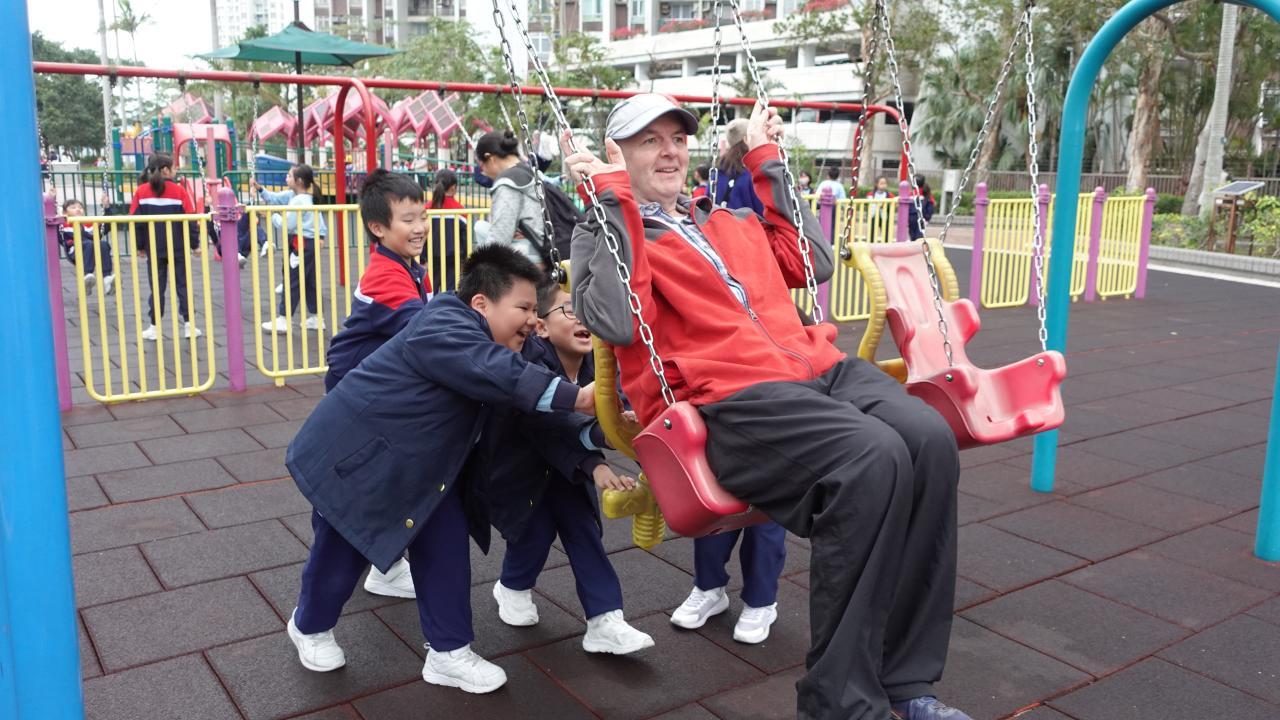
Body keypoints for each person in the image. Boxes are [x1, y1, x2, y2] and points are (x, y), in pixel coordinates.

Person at [564, 93, 965, 720]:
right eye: (649, 141)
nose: (669, 152)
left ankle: (906, 682)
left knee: (929, 439)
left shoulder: (729, 221)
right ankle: (840, 705)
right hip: (728, 397)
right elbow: (616, 321)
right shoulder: (606, 232)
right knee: (873, 457)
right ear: (616, 154)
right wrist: (612, 201)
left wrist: (766, 158)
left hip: (816, 368)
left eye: (677, 139)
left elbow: (814, 262)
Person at [285, 244, 598, 693]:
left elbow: (533, 400)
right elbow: (497, 371)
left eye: (536, 310)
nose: (533, 320)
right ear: (481, 303)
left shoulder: (509, 344)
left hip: (426, 470)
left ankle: (449, 652)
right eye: (524, 308)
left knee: (447, 549)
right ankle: (309, 626)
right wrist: (578, 397)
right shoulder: (443, 324)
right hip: (359, 465)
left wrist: (597, 430)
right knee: (341, 557)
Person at [486, 282, 655, 655]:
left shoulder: (599, 364)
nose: (582, 319)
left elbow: (619, 403)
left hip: (566, 469)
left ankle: (605, 619)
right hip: (523, 470)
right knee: (533, 535)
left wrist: (627, 424)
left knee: (583, 530)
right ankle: (512, 585)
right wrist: (596, 465)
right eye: (569, 310)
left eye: (587, 311)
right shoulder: (531, 365)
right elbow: (545, 427)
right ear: (542, 327)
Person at [678, 118, 789, 646]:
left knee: (769, 499)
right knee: (714, 493)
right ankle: (709, 586)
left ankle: (761, 598)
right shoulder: (703, 206)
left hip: (769, 377)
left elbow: (806, 257)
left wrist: (772, 161)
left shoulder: (749, 214)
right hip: (721, 385)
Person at [129, 153, 203, 341]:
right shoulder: (179, 191)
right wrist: (195, 245)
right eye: (174, 167)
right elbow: (190, 220)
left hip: (154, 247)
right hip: (178, 247)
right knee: (183, 285)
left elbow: (136, 222)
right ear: (165, 170)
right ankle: (189, 325)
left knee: (157, 287)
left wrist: (140, 246)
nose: (176, 170)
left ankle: (154, 327)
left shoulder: (141, 192)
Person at [257, 164, 329, 334]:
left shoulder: (298, 200)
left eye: (289, 176)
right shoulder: (306, 197)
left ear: (299, 181)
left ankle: (284, 318)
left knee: (292, 280)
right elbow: (320, 223)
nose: (286, 178)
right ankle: (316, 318)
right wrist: (320, 236)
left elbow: (287, 225)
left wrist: (272, 215)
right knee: (309, 281)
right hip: (308, 243)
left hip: (300, 244)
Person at [474, 130, 549, 266]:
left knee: (482, 234)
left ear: (490, 158)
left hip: (531, 254)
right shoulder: (529, 172)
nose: (483, 172)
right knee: (481, 227)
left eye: (481, 166)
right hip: (544, 243)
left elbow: (499, 238)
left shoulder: (507, 183)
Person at [425, 168, 471, 292]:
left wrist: (423, 257)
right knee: (451, 290)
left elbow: (422, 234)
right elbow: (465, 238)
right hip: (453, 257)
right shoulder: (460, 210)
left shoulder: (427, 208)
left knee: (431, 289)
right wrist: (465, 259)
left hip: (432, 255)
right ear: (453, 188)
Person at [60, 197, 115, 296]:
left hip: (92, 250)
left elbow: (106, 225)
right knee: (89, 244)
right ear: (64, 212)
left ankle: (107, 279)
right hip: (75, 251)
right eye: (73, 207)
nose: (78, 209)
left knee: (103, 244)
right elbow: (55, 231)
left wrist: (106, 207)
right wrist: (52, 202)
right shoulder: (63, 225)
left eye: (80, 207)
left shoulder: (89, 224)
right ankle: (87, 275)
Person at [711, 119, 765, 216]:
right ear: (747, 139)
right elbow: (764, 212)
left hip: (721, 223)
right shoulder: (754, 173)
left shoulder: (718, 170)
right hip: (750, 224)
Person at [907, 174, 936, 241]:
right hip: (919, 219)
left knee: (915, 237)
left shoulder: (912, 194)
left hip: (914, 219)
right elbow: (930, 208)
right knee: (918, 237)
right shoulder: (926, 194)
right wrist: (927, 218)